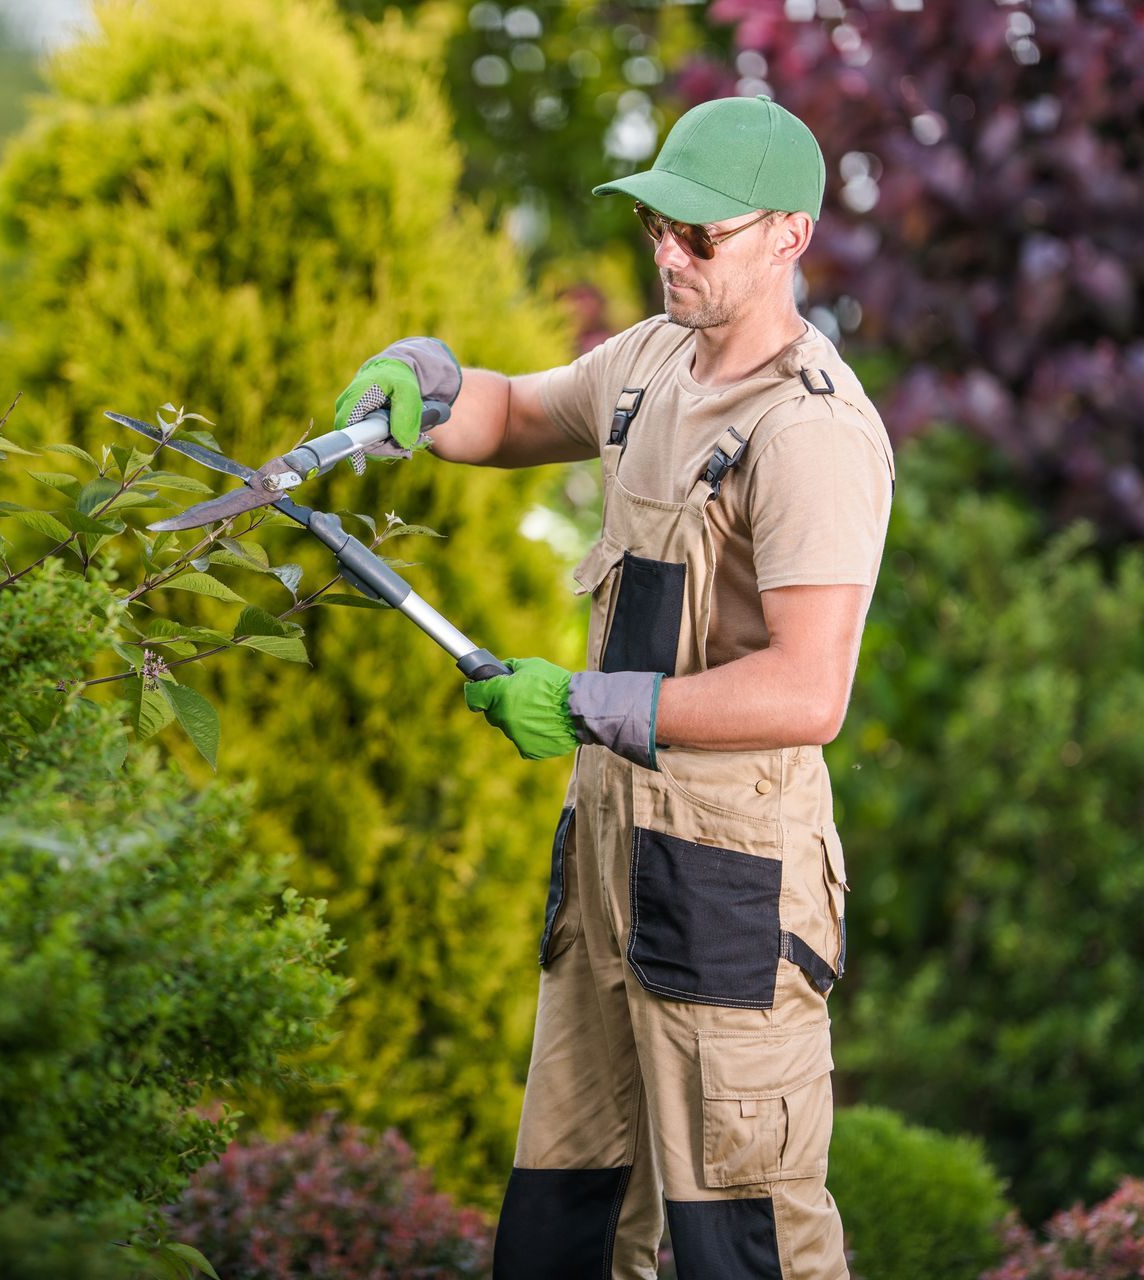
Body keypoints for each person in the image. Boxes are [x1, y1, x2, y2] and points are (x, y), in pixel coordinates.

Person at [332, 95, 894, 1279]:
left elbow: (809, 691)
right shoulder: (649, 364)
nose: (667, 253)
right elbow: (515, 412)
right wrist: (425, 382)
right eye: (657, 228)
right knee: (565, 1230)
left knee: (742, 1248)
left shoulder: (812, 434)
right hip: (604, 871)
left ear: (790, 234)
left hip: (731, 893)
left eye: (700, 235)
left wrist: (589, 704)